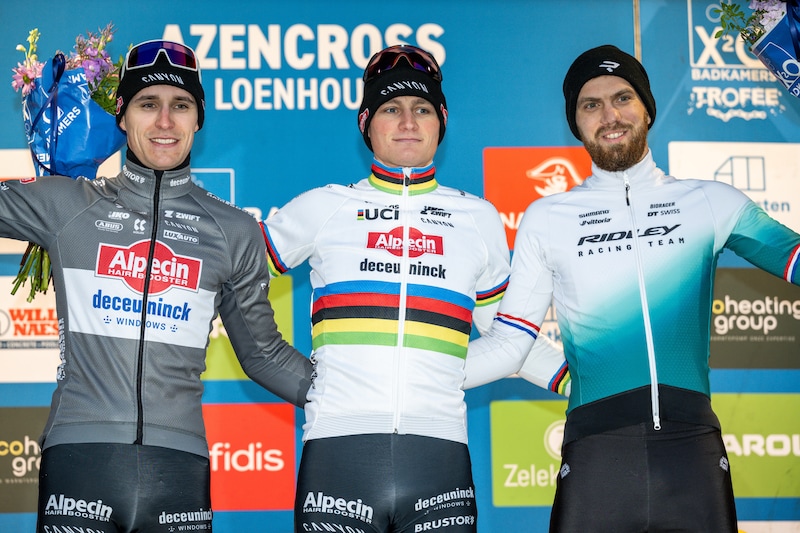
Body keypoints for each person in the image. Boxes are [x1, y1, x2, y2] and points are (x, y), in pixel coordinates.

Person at [463, 44, 800, 532]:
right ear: (576, 123)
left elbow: (794, 259)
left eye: (622, 98)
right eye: (591, 105)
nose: (610, 116)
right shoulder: (548, 218)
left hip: (692, 450)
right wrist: (403, 375)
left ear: (647, 108)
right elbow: (510, 343)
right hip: (596, 451)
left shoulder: (709, 201)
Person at [0, 40, 313, 533]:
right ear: (121, 116)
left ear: (198, 120)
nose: (165, 121)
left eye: (180, 105)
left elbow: (264, 356)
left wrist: (364, 394)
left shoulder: (233, 231)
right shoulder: (67, 204)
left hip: (179, 469)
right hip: (79, 461)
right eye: (148, 104)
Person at [262, 44, 568, 533]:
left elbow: (509, 337)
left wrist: (582, 381)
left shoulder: (478, 218)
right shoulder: (325, 207)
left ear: (441, 122)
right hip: (338, 448)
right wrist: (273, 362)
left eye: (422, 109)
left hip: (439, 453)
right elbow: (229, 276)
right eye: (391, 109)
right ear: (366, 123)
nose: (408, 122)